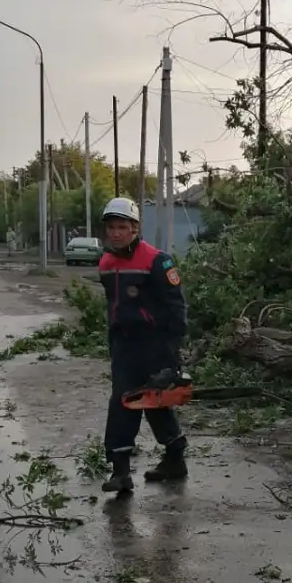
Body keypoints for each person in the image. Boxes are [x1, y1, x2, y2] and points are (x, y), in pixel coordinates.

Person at [97, 197, 188, 493]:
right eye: (111, 227)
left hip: (155, 343)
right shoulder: (106, 263)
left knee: (156, 402)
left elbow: (176, 308)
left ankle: (175, 458)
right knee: (123, 402)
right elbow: (114, 306)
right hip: (124, 345)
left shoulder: (157, 261)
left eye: (122, 227)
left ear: (135, 228)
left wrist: (172, 355)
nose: (116, 233)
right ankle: (120, 471)